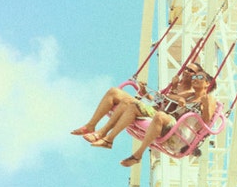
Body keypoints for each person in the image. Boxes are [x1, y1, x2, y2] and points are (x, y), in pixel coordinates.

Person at [71, 64, 205, 150]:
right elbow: (158, 101)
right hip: (153, 109)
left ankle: (103, 135)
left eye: (191, 71)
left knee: (131, 104)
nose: (186, 71)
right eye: (186, 68)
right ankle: (90, 125)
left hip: (163, 119)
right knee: (113, 92)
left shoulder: (191, 94)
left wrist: (174, 89)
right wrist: (144, 92)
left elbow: (175, 109)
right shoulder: (174, 86)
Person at [120, 69, 217, 167]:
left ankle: (138, 154)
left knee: (159, 116)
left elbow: (206, 122)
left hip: (182, 139)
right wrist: (177, 94)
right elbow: (168, 97)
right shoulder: (189, 96)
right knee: (129, 104)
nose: (195, 79)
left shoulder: (209, 99)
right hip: (173, 130)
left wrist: (206, 106)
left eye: (200, 77)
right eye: (194, 77)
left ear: (207, 83)